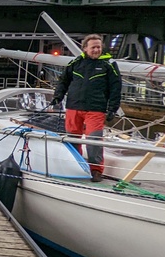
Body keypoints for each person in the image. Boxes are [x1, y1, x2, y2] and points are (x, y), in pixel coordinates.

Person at [51, 34, 121, 182]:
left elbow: (116, 88)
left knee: (93, 139)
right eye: (93, 47)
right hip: (73, 107)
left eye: (98, 47)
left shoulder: (109, 65)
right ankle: (76, 165)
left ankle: (96, 170)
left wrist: (112, 108)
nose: (96, 50)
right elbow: (63, 81)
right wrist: (58, 96)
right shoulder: (75, 63)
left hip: (96, 108)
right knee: (72, 138)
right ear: (85, 48)